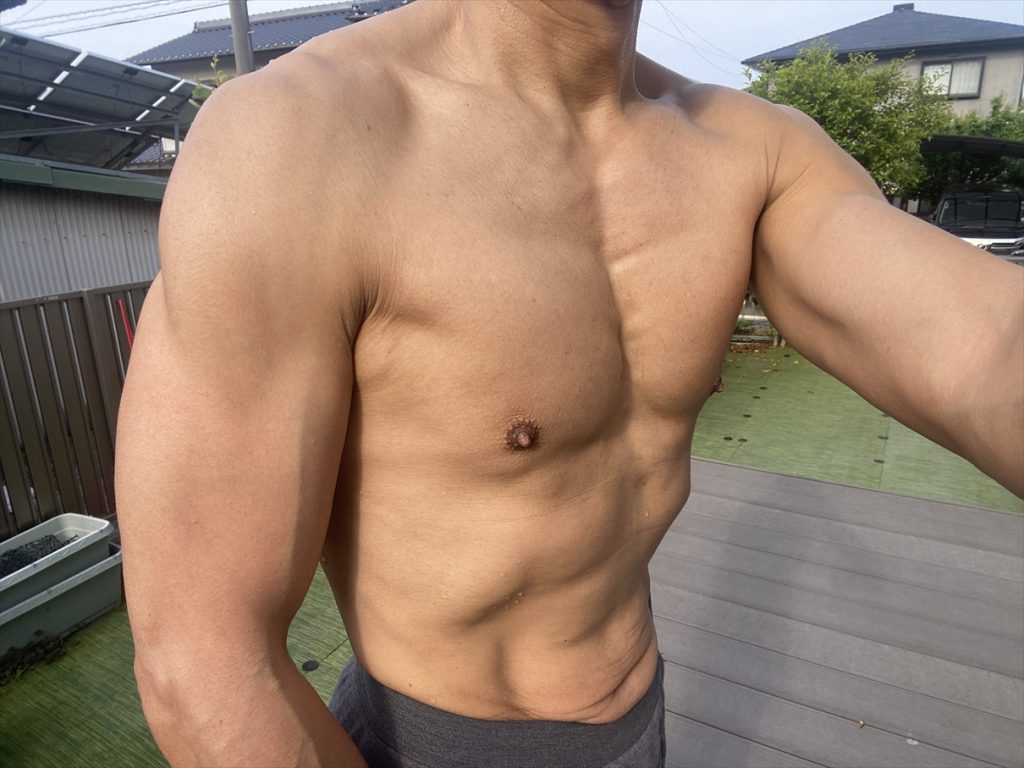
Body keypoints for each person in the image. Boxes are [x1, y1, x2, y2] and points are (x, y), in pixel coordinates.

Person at [114, 1, 1024, 766]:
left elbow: (991, 349)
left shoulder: (753, 153)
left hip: (641, 719)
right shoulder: (301, 139)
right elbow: (203, 662)